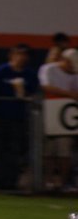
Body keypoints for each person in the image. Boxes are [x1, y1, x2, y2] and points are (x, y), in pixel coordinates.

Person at [0, 43, 38, 190]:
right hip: (1, 117)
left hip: (19, 118)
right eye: (18, 53)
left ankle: (12, 181)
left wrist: (24, 94)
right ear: (12, 55)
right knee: (0, 150)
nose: (21, 57)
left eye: (24, 54)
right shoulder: (2, 71)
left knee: (15, 151)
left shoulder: (29, 74)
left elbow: (33, 91)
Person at [39, 48, 78, 191]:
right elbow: (46, 87)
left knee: (64, 151)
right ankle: (48, 181)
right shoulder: (48, 69)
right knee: (48, 151)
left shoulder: (75, 74)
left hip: (67, 118)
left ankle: (62, 183)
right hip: (50, 114)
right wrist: (68, 94)